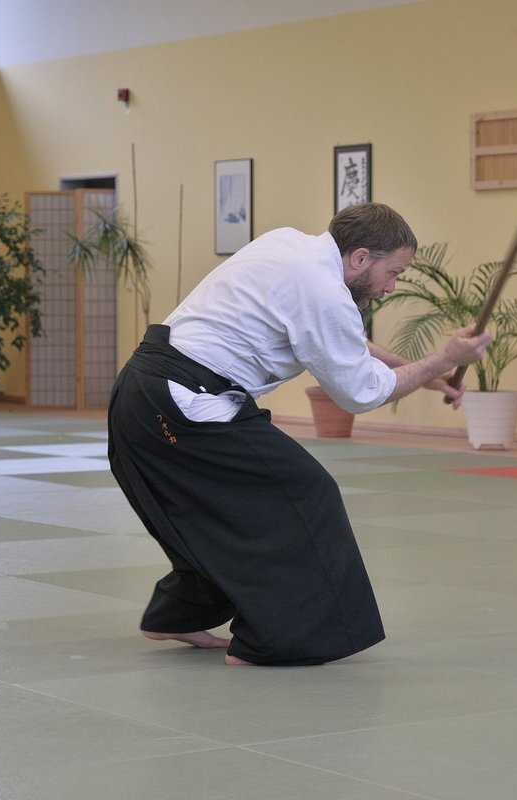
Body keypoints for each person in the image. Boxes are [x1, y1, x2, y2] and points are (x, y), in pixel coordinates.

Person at [108, 202, 492, 666]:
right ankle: (273, 641)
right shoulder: (323, 290)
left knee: (216, 508)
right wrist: (439, 358)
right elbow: (360, 393)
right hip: (185, 403)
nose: (390, 287)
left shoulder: (290, 245)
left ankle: (180, 613)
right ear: (361, 258)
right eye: (393, 273)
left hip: (146, 395)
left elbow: (348, 344)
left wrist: (430, 374)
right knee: (306, 493)